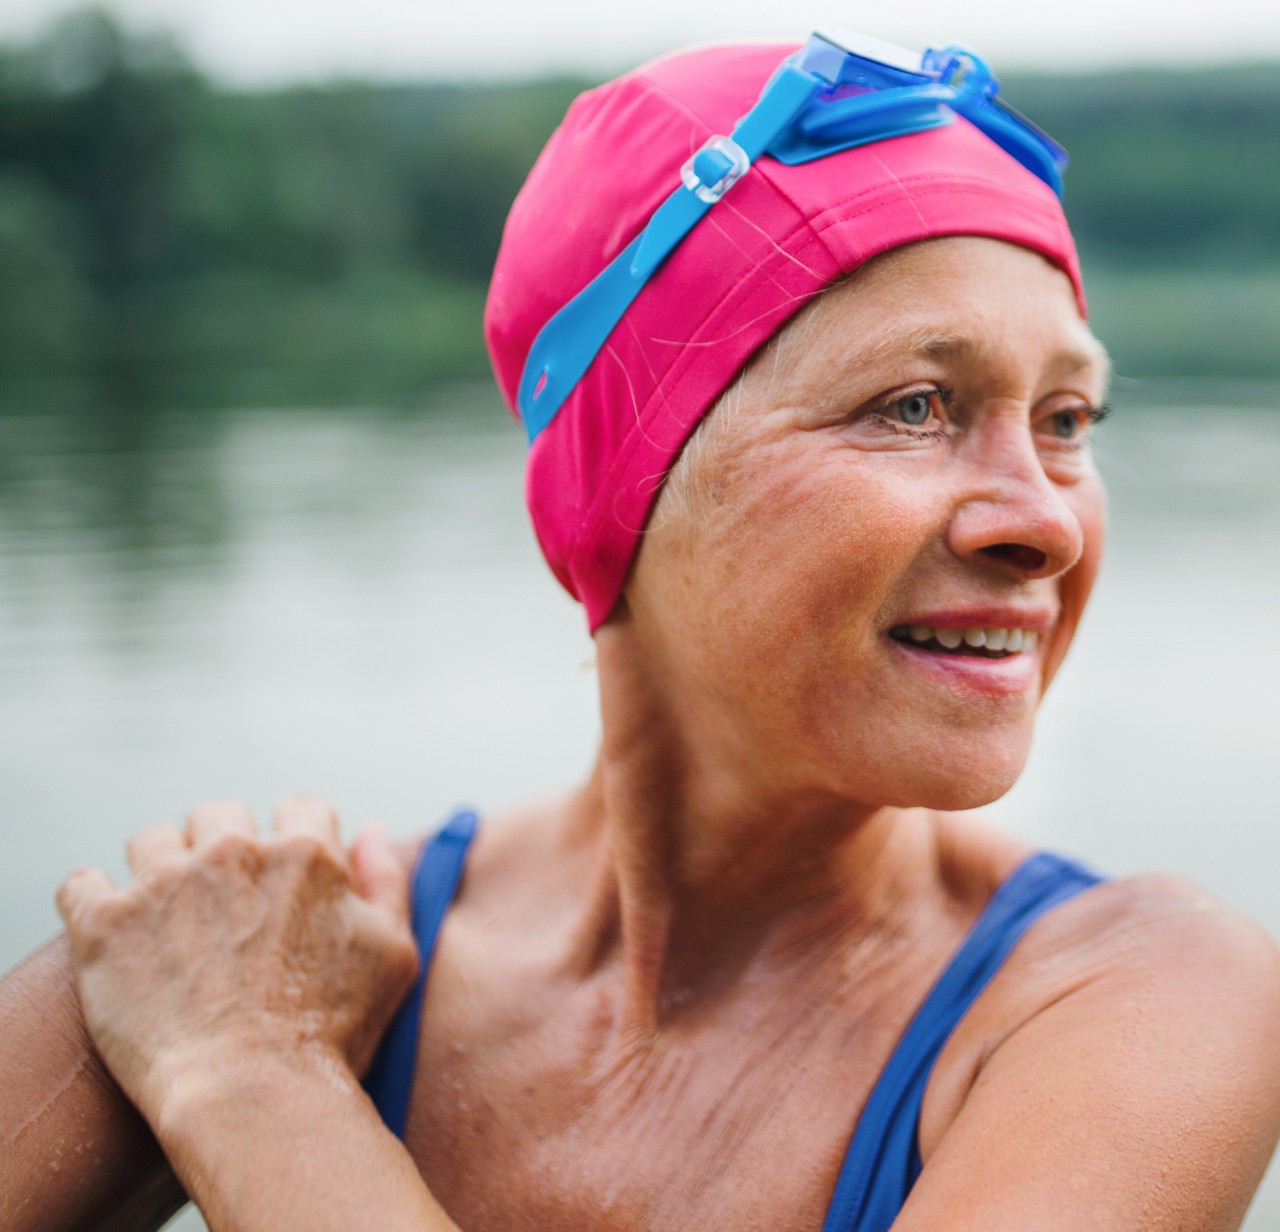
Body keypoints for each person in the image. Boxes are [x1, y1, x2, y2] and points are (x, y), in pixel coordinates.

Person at [6, 30, 1280, 1232]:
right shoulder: (239, 944)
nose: (1043, 522)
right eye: (912, 404)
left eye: (1066, 419)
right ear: (622, 480)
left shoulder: (1132, 999)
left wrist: (256, 1093)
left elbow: (240, 1055)